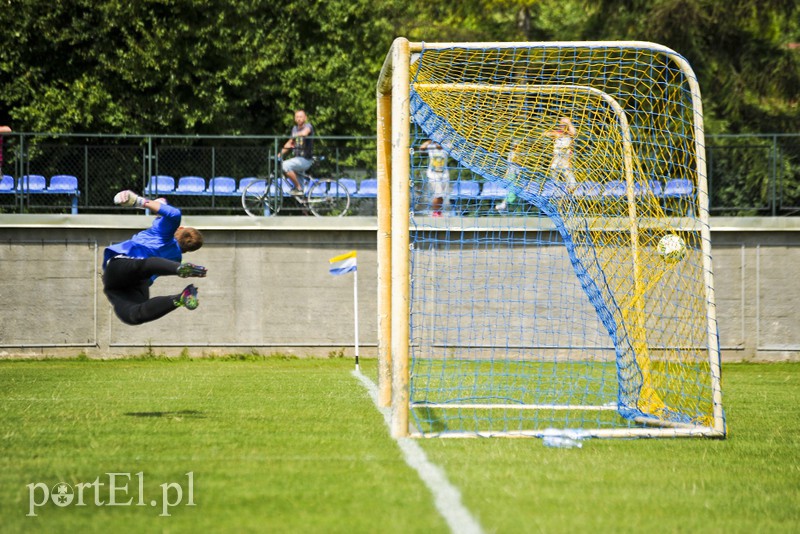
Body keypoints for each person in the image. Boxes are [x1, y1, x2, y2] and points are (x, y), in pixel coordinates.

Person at [103, 190, 207, 325]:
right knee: (135, 314)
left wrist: (138, 201)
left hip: (122, 267)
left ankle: (178, 272)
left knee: (141, 266)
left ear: (180, 228)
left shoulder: (163, 232)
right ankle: (180, 297)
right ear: (187, 251)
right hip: (137, 284)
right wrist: (160, 206)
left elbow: (174, 214)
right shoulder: (175, 258)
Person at [279, 109, 314, 196]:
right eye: (297, 117)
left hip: (305, 159)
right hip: (297, 160)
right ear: (295, 119)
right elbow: (289, 143)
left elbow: (305, 133)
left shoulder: (308, 126)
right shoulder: (294, 129)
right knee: (302, 197)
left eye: (301, 117)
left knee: (284, 165)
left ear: (305, 118)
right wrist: (279, 155)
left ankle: (298, 188)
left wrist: (295, 135)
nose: (299, 119)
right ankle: (305, 207)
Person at [545, 116, 577, 192]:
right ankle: (556, 185)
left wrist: (569, 123)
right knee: (553, 168)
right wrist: (553, 134)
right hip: (557, 154)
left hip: (565, 154)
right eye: (561, 124)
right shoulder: (558, 132)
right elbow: (547, 133)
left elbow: (574, 133)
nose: (562, 126)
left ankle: (573, 185)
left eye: (564, 124)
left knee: (566, 170)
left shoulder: (569, 133)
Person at [419, 139, 450, 217]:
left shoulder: (446, 149)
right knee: (438, 193)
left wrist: (443, 141)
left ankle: (439, 211)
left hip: (444, 174)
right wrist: (431, 140)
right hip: (433, 174)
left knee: (442, 195)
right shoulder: (431, 147)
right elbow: (422, 147)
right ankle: (435, 211)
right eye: (437, 142)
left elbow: (452, 145)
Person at [495, 139, 523, 212]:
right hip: (512, 173)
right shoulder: (512, 154)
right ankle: (504, 204)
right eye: (516, 145)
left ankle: (504, 205)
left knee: (514, 191)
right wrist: (506, 174)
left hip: (517, 174)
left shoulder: (520, 154)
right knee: (512, 191)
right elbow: (510, 165)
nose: (517, 147)